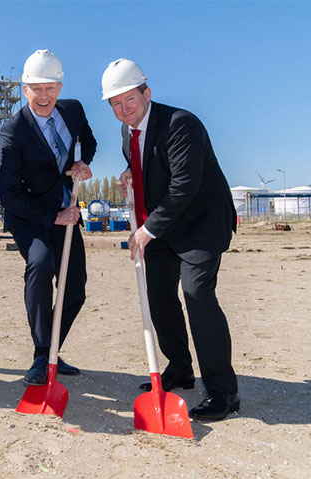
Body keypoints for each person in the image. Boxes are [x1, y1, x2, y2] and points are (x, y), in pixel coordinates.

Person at [101, 58, 239, 421]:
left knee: (196, 294)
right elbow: (150, 165)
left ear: (147, 93)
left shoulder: (181, 124)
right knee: (159, 295)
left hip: (200, 223)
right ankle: (179, 367)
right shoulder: (127, 131)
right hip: (164, 224)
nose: (123, 109)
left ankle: (223, 390)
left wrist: (146, 230)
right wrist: (129, 173)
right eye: (115, 103)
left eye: (129, 99)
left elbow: (184, 185)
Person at [0, 49, 96, 386]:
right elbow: (9, 193)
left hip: (66, 210)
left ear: (60, 86)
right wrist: (52, 216)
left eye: (50, 88)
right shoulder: (13, 132)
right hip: (30, 215)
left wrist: (82, 162)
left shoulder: (73, 110)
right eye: (35, 89)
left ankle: (53, 349)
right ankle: (41, 354)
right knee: (41, 264)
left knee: (76, 287)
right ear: (25, 90)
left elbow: (88, 140)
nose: (43, 97)